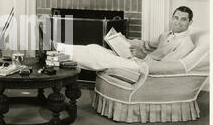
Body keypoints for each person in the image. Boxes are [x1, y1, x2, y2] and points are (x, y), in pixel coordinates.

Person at [55, 6, 195, 74]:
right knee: (95, 48)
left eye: (183, 19)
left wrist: (144, 57)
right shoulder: (166, 34)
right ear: (172, 18)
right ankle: (58, 52)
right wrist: (124, 40)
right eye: (176, 18)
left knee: (100, 58)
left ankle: (57, 52)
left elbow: (167, 67)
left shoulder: (185, 43)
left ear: (190, 22)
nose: (178, 22)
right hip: (138, 60)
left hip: (145, 67)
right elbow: (145, 44)